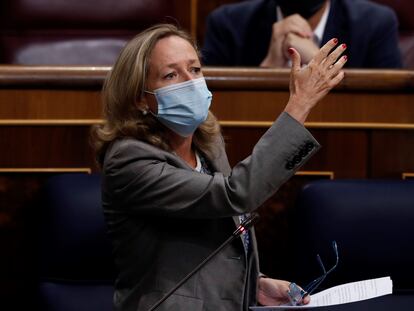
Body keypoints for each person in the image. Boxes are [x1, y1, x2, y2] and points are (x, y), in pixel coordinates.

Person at [93, 23, 347, 311]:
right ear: (140, 97)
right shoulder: (128, 161)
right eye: (171, 74)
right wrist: (299, 105)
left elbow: (219, 236)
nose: (190, 81)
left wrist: (255, 284)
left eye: (196, 69)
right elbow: (237, 194)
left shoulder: (208, 144)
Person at [202, 0, 402, 68]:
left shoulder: (375, 24)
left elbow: (388, 109)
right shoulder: (227, 25)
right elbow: (215, 113)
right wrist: (268, 69)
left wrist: (320, 62)